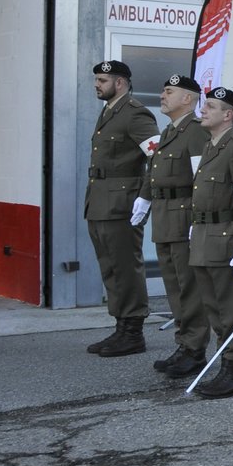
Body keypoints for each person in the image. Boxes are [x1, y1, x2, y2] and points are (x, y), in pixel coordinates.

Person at [138, 73, 213, 379]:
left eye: (169, 91)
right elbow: (154, 171)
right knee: (174, 286)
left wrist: (198, 218)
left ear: (188, 98)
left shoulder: (195, 131)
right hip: (165, 216)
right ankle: (183, 343)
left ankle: (194, 348)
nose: (162, 95)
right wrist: (143, 199)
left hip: (183, 215)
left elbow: (201, 179)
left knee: (189, 286)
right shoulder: (170, 132)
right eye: (163, 90)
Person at [84, 59, 160, 357]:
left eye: (102, 80)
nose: (96, 84)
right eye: (97, 80)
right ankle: (121, 327)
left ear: (120, 82)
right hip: (101, 200)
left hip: (122, 203)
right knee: (111, 267)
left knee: (126, 267)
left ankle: (133, 332)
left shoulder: (135, 113)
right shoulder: (109, 112)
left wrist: (144, 195)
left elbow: (158, 157)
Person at [189, 87, 233, 398]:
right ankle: (225, 363)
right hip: (204, 236)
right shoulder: (211, 146)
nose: (203, 110)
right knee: (213, 308)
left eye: (211, 107)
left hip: (226, 238)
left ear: (228, 115)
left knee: (230, 308)